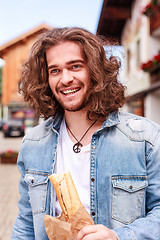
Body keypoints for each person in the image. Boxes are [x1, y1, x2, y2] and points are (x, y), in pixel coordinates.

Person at [11, 27, 160, 240]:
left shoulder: (145, 137)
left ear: (96, 70)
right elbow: (26, 223)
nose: (65, 79)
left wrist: (121, 237)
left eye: (75, 66)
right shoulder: (33, 143)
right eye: (55, 70)